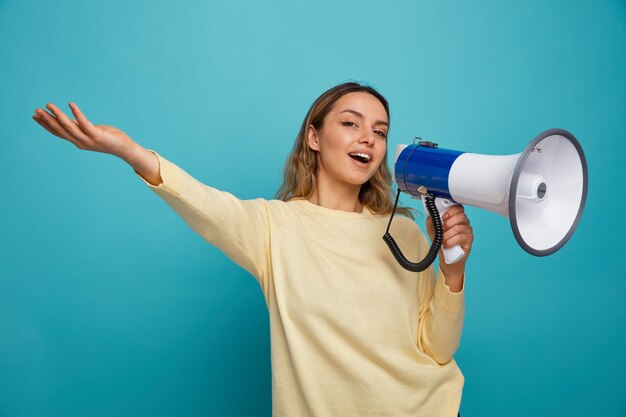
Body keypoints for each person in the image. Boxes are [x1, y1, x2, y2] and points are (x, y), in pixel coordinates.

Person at [32, 82, 473, 417]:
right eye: (350, 123)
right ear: (314, 137)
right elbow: (203, 202)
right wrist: (129, 151)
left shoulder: (407, 233)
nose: (368, 139)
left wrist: (453, 271)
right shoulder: (273, 226)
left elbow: (436, 350)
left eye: (380, 131)